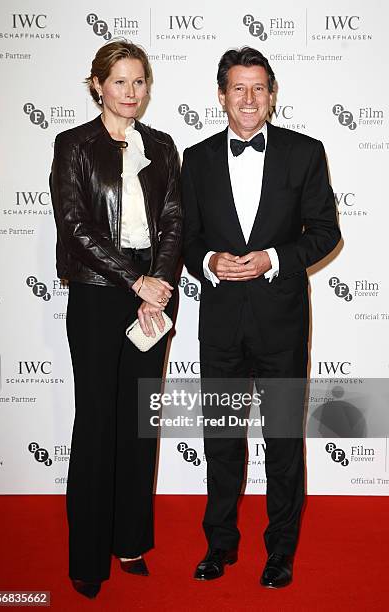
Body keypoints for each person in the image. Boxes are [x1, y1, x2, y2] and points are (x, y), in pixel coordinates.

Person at [182, 47, 341, 588]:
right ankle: (220, 545)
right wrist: (208, 261)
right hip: (222, 324)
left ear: (272, 95)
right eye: (237, 88)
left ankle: (281, 552)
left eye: (258, 88)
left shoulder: (305, 152)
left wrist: (275, 258)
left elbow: (326, 233)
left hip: (282, 325)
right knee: (222, 438)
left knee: (283, 442)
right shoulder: (197, 158)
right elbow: (186, 238)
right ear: (221, 95)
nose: (248, 99)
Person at [50, 40, 182, 599]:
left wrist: (158, 289)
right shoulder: (73, 144)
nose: (132, 92)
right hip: (99, 294)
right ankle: (87, 557)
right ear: (98, 85)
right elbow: (75, 226)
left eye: (140, 82)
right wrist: (133, 281)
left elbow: (176, 216)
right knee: (98, 422)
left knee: (138, 425)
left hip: (152, 298)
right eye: (121, 81)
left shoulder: (162, 145)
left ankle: (130, 540)